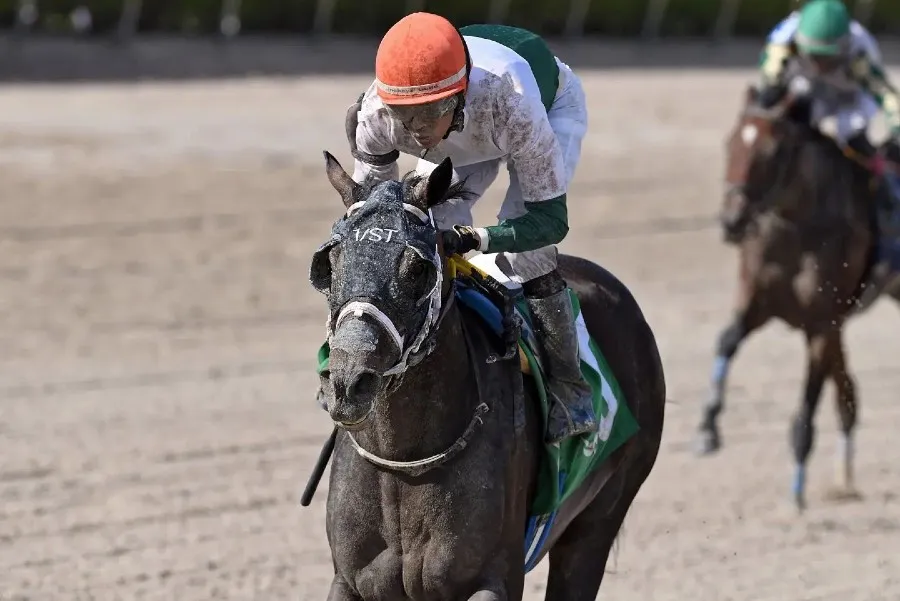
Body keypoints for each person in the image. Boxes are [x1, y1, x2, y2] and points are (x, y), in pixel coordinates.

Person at [341, 12, 596, 444]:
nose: (418, 133)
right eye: (405, 117)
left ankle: (570, 393)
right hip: (468, 125)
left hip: (545, 110)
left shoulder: (511, 104)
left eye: (428, 115)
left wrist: (480, 239)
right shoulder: (377, 116)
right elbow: (379, 228)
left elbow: (550, 222)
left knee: (527, 255)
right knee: (426, 229)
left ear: (457, 97)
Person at [757, 0, 900, 296]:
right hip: (806, 93)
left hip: (849, 105)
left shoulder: (860, 51)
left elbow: (887, 96)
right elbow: (767, 86)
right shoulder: (783, 41)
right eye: (815, 56)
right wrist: (772, 92)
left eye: (828, 58)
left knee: (864, 152)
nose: (820, 65)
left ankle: (888, 225)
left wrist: (897, 132)